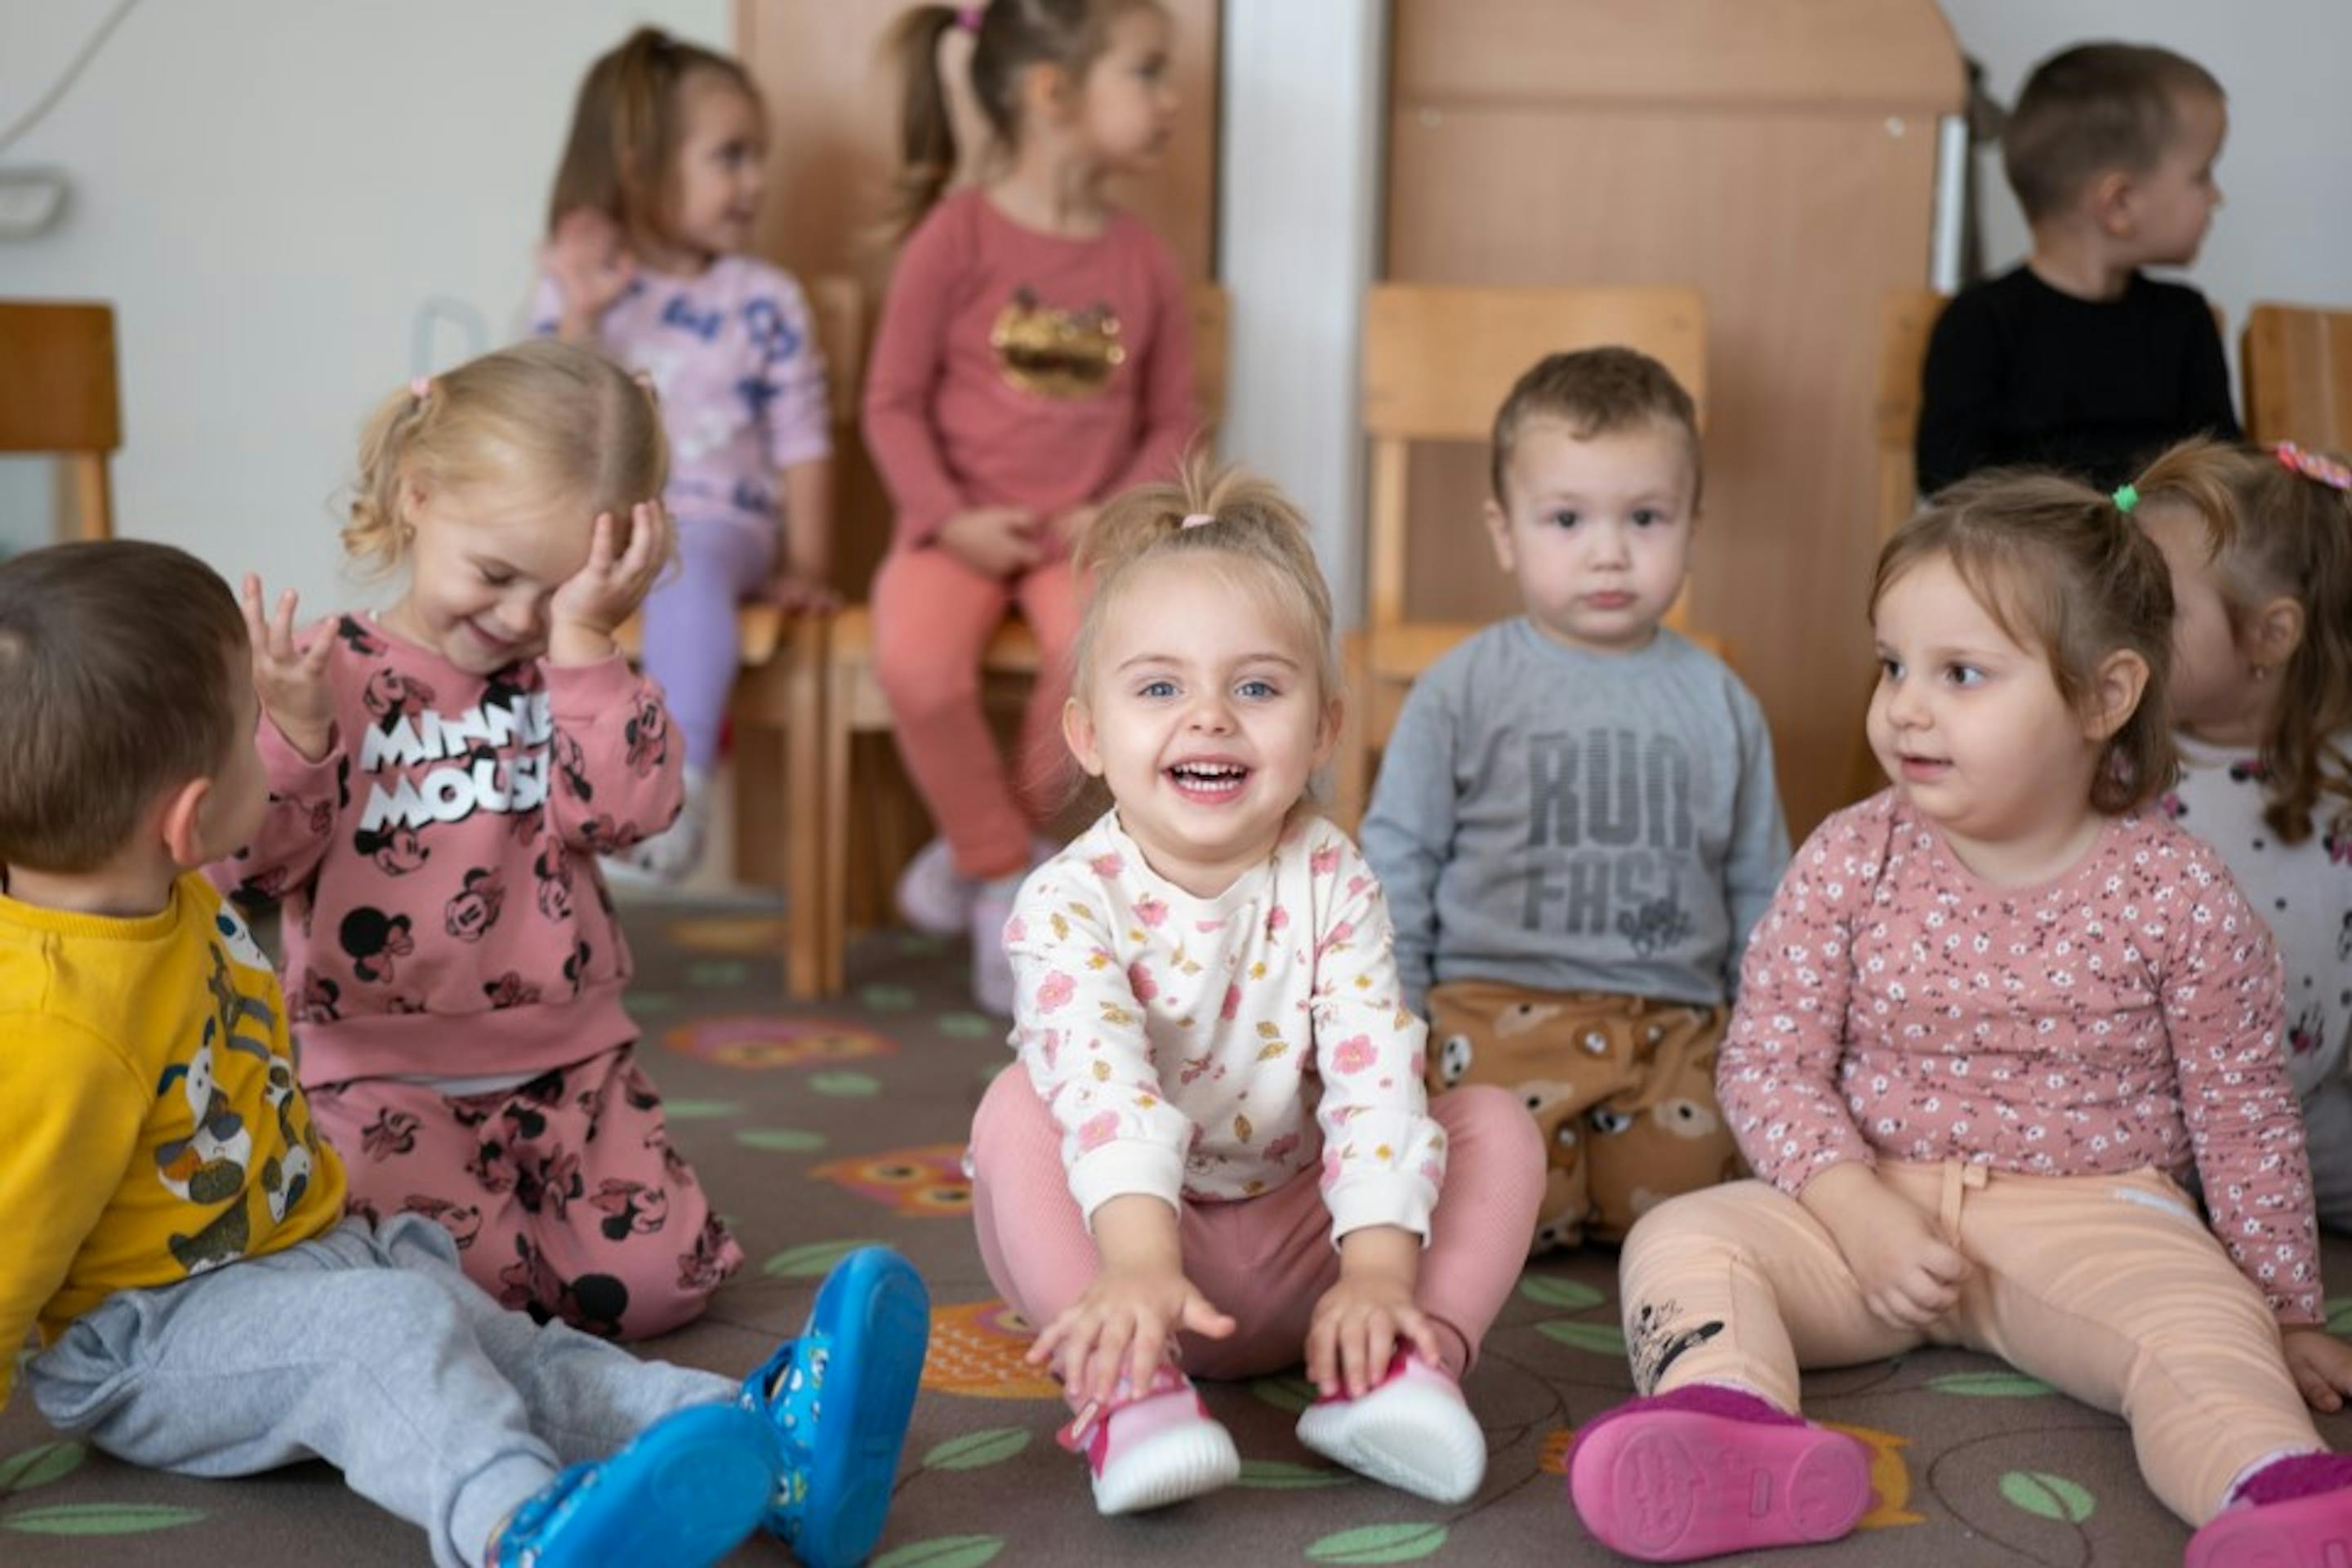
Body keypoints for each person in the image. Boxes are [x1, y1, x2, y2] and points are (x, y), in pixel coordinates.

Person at [0, 539, 929, 1568]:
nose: (263, 740)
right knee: (385, 1339)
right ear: (182, 819)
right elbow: (8, 1243)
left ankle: (760, 1438)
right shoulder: (54, 1024)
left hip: (302, 1256)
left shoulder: (162, 890)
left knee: (500, 1343)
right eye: (244, 730)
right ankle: (515, 1529)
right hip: (152, 1339)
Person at [1565, 471, 2352, 1565]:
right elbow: (1769, 1062)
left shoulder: (2180, 892)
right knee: (1685, 1237)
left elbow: (2244, 1115)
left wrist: (2289, 1308)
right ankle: (1730, 1427)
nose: (1906, 707)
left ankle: (2276, 1493)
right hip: (1862, 1208)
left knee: (2204, 1328)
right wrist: (1850, 1204)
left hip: (2100, 1221)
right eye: (1893, 666)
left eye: (1962, 674)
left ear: (2103, 696)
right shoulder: (1852, 853)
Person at [968, 463, 1545, 1516]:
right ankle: (1130, 1401)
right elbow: (1103, 1096)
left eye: (1256, 687)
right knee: (1016, 1109)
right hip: (1121, 1259)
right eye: (1159, 688)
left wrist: (1377, 1273)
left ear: (1322, 730)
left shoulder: (1334, 879)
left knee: (1498, 1123)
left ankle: (1403, 1375)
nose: (1210, 720)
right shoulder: (1064, 902)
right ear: (1089, 734)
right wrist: (1140, 1267)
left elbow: (1377, 1087)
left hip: (1312, 1257)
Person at [212, 341, 743, 1339]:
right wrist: (293, 739)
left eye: (557, 592)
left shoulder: (577, 670)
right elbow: (249, 862)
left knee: (659, 1285)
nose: (518, 618)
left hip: (572, 1063)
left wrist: (588, 646)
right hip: (377, 1072)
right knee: (438, 1293)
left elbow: (631, 816)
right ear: (418, 496)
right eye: (496, 575)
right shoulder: (320, 674)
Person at [1361, 347, 1786, 1252]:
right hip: (1492, 1011)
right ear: (1505, 531)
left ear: (1693, 528)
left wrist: (1765, 1044)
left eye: (1644, 517)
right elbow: (1396, 861)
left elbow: (1763, 892)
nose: (1609, 552)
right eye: (1565, 519)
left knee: (1698, 1211)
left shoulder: (1721, 702)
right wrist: (1393, 1029)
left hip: (1670, 1024)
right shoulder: (1459, 690)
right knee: (1489, 1199)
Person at [867, 0, 1198, 1011]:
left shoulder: (1142, 259)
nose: (1169, 98)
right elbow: (891, 403)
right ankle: (994, 862)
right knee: (917, 665)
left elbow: (1172, 421)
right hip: (955, 528)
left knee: (1094, 666)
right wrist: (947, 514)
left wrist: (1107, 509)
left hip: (1079, 536)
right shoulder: (955, 236)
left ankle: (999, 874)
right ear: (1055, 93)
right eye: (1145, 73)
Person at [534, 26, 835, 880]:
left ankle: (680, 785)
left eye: (758, 157)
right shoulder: (577, 290)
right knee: (496, 577)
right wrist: (582, 314)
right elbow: (547, 417)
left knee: (684, 561)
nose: (756, 182)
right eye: (731, 156)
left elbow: (804, 439)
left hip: (717, 526)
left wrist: (807, 558)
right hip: (597, 526)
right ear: (641, 164)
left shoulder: (766, 299)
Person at [2135, 435, 2352, 1230]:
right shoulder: (2117, 759)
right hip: (2148, 1125)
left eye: (2154, 604)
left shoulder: (2341, 770)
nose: (2117, 621)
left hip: (2305, 1115)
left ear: (2271, 634)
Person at [1915, 42, 2236, 497]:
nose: (2216, 197)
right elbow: (1946, 474)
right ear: (2119, 204)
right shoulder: (1980, 322)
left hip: (2163, 562)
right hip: (2020, 560)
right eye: (2202, 175)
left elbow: (2222, 469)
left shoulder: (2185, 320)